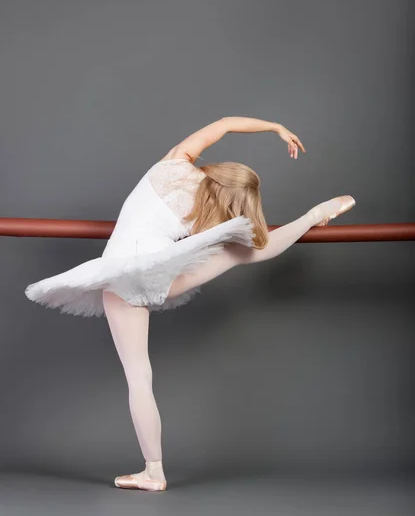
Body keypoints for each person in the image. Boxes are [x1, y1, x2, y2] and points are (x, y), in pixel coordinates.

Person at [24, 116, 356, 492]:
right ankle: (314, 214)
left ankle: (153, 471)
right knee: (243, 252)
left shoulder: (174, 161)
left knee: (139, 378)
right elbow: (251, 242)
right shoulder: (203, 219)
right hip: (161, 280)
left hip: (122, 278)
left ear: (217, 171)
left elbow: (226, 124)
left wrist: (274, 127)